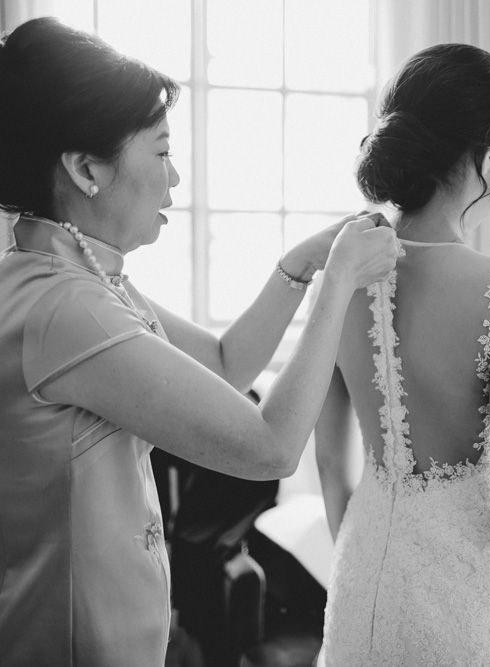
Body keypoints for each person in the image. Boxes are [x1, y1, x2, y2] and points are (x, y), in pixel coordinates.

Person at [0, 17, 398, 667]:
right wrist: (340, 282)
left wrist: (299, 266)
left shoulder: (72, 274)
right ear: (85, 168)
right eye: (159, 152)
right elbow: (268, 447)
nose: (175, 179)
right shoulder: (66, 306)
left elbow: (222, 364)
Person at [315, 44, 490, 666]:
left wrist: (357, 554)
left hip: (359, 587)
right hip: (469, 609)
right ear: (489, 156)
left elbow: (329, 459)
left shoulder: (343, 268)